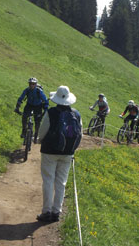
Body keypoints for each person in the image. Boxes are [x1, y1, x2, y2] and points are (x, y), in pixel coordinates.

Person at [36, 86, 82, 222]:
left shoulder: (51, 113)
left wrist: (40, 140)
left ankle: (46, 211)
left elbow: (42, 131)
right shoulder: (76, 114)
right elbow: (80, 134)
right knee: (61, 182)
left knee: (48, 180)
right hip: (68, 153)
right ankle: (57, 212)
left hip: (49, 152)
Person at [15, 77, 49, 143]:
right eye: (30, 84)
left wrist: (45, 110)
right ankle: (24, 131)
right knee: (24, 117)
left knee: (37, 121)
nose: (31, 85)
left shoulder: (39, 91)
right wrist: (17, 107)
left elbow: (45, 101)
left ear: (36, 84)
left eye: (33, 84)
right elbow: (21, 98)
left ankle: (36, 135)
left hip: (38, 106)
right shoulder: (27, 90)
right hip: (29, 105)